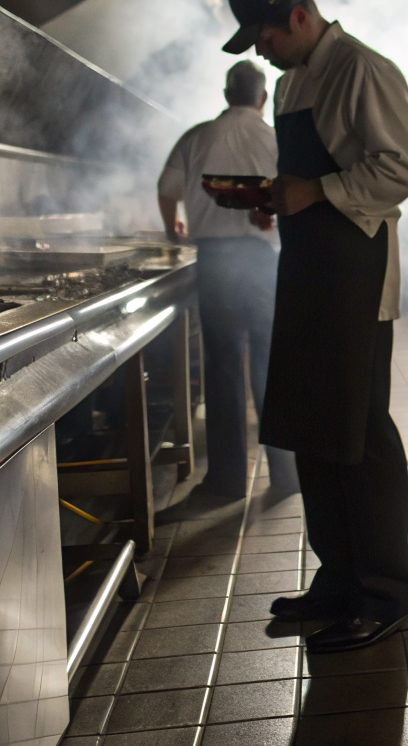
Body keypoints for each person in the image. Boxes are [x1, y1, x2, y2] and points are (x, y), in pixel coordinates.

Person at [217, 0, 408, 653]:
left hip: (356, 270)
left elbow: (401, 169)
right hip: (307, 267)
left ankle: (386, 594)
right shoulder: (289, 82)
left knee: (360, 431)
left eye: (267, 37)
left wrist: (317, 192)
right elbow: (304, 177)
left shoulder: (363, 69)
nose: (262, 50)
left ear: (300, 15)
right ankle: (338, 579)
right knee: (313, 427)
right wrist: (278, 199)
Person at [157, 60, 298, 499]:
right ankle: (287, 475)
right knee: (271, 365)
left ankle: (227, 480)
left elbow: (166, 188)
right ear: (263, 98)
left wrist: (172, 228)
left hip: (215, 262)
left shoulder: (197, 136)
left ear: (225, 94)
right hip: (263, 261)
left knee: (222, 367)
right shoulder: (275, 138)